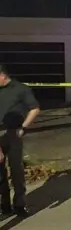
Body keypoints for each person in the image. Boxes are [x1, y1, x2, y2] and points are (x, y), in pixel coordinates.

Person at [0, 64, 40, 217]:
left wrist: (23, 127)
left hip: (13, 133)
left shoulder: (21, 89)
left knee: (16, 169)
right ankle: (4, 206)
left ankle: (19, 205)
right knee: (0, 172)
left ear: (2, 75)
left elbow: (34, 109)